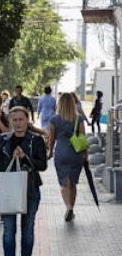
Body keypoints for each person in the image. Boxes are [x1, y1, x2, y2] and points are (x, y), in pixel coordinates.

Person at [0, 106, 47, 256]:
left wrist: (24, 158)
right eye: (14, 120)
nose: (18, 123)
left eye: (21, 119)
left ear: (27, 120)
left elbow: (42, 165)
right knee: (9, 229)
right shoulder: (3, 140)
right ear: (10, 121)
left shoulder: (35, 140)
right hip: (8, 190)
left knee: (27, 229)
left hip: (30, 189)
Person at [47, 92, 87, 222]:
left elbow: (52, 139)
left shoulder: (54, 119)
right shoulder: (79, 119)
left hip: (61, 152)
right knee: (73, 182)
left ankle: (68, 207)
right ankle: (71, 207)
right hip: (76, 154)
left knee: (64, 182)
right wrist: (86, 155)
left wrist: (50, 152)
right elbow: (83, 138)